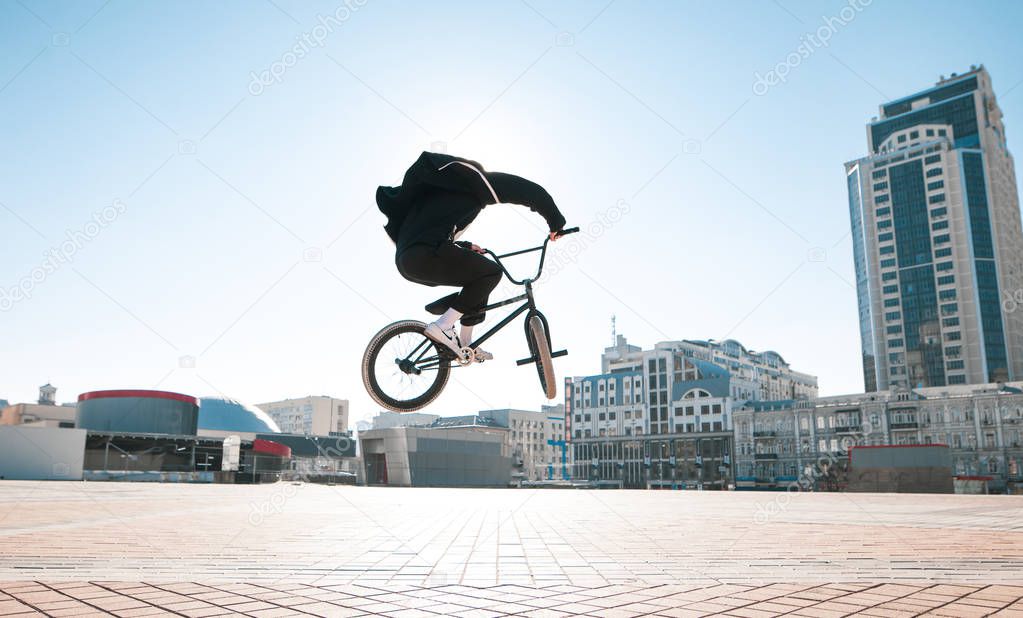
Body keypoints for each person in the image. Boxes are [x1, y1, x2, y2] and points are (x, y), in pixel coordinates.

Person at [377, 151, 568, 361]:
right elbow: (524, 190)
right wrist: (555, 221)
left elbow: (433, 228)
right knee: (491, 273)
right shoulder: (475, 183)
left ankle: (466, 344)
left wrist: (466, 246)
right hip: (425, 252)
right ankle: (444, 324)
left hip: (408, 260)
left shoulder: (440, 195)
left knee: (477, 276)